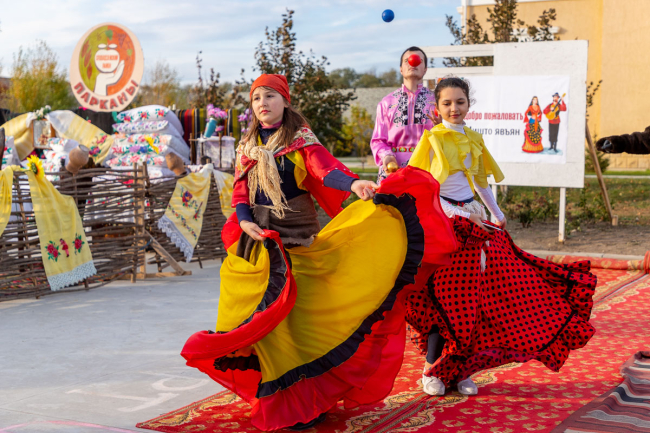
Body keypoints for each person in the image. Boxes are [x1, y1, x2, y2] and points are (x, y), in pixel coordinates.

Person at [181, 74, 458, 431]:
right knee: (261, 324)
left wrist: (353, 183)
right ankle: (284, 398)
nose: (262, 103)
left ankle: (305, 399)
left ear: (284, 101)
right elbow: (240, 192)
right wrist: (245, 220)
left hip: (297, 242)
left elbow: (324, 170)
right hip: (258, 244)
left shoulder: (300, 140)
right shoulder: (247, 146)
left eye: (270, 96)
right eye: (256, 98)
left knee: (300, 327)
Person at [407, 76, 597, 397]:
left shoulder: (474, 138)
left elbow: (480, 182)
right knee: (449, 302)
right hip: (446, 225)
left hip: (475, 222)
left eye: (460, 102)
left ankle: (462, 371)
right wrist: (461, 216)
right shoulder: (431, 140)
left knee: (482, 301)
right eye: (447, 103)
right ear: (437, 107)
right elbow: (424, 188)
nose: (454, 108)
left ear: (469, 104)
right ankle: (431, 369)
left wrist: (495, 212)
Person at [370, 46, 438, 184]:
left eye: (419, 60)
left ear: (425, 69)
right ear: (401, 69)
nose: (412, 62)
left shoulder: (437, 102)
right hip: (393, 169)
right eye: (407, 60)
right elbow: (378, 140)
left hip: (427, 168)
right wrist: (387, 156)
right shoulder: (386, 102)